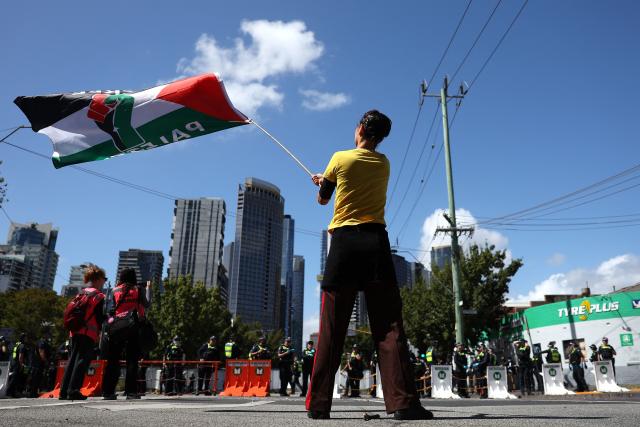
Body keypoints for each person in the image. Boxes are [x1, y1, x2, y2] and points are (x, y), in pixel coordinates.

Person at [307, 110, 431, 420]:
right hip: (376, 244)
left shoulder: (340, 158)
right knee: (389, 327)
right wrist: (328, 180)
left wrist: (322, 182)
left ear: (361, 127)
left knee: (332, 329)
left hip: (345, 246)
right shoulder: (384, 163)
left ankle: (319, 405)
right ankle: (403, 403)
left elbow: (324, 199)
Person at [101, 268, 150, 400]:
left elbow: (109, 310)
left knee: (113, 360)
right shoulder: (138, 289)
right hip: (133, 326)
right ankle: (131, 392)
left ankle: (108, 391)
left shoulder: (114, 290)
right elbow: (147, 305)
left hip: (117, 327)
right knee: (132, 361)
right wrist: (148, 290)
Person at [60, 267, 107, 400]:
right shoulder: (99, 296)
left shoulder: (81, 293)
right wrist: (108, 318)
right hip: (88, 332)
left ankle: (64, 391)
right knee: (82, 361)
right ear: (98, 279)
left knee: (72, 360)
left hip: (75, 331)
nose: (104, 282)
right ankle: (74, 390)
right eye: (104, 279)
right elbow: (99, 318)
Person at [6, 333, 29, 398]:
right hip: (18, 364)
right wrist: (21, 364)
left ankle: (13, 393)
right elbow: (20, 356)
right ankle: (9, 392)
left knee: (15, 378)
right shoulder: (22, 346)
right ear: (23, 338)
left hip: (13, 363)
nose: (27, 339)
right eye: (26, 338)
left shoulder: (16, 344)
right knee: (15, 378)